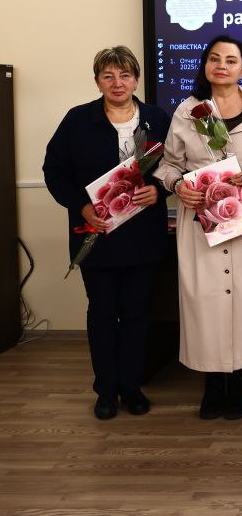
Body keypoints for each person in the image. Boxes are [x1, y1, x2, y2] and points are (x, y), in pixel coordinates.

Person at [155, 34, 242, 421]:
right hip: (202, 219)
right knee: (207, 301)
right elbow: (167, 165)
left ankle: (239, 380)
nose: (222, 66)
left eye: (230, 60)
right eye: (214, 59)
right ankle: (212, 383)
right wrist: (178, 186)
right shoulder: (188, 112)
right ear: (205, 66)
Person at [43, 46, 169, 420]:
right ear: (97, 80)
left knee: (137, 314)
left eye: (125, 75)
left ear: (136, 79)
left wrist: (158, 190)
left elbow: (176, 166)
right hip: (96, 234)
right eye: (108, 76)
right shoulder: (78, 120)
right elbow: (54, 171)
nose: (117, 83)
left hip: (143, 236)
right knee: (101, 314)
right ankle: (106, 390)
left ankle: (132, 387)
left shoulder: (157, 118)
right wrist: (80, 206)